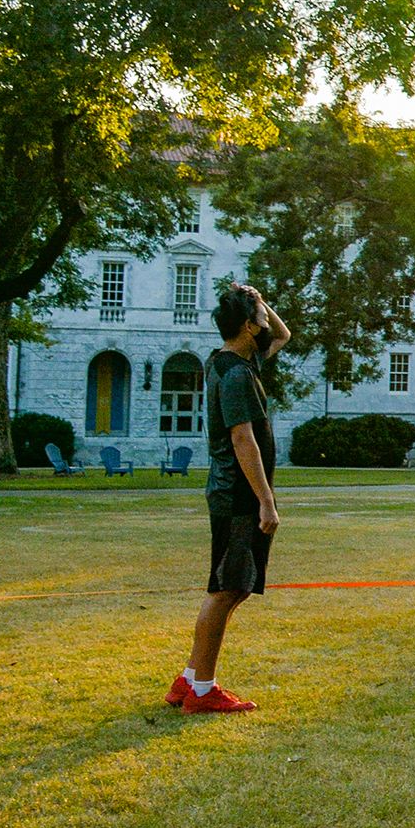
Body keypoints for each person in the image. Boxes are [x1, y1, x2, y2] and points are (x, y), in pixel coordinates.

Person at [168, 284, 289, 714]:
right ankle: (202, 689)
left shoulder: (233, 360)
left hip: (233, 495)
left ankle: (188, 679)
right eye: (257, 315)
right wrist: (266, 501)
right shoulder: (237, 374)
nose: (264, 321)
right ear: (244, 326)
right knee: (226, 588)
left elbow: (283, 335)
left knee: (230, 588)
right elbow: (243, 440)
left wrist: (258, 300)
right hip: (239, 496)